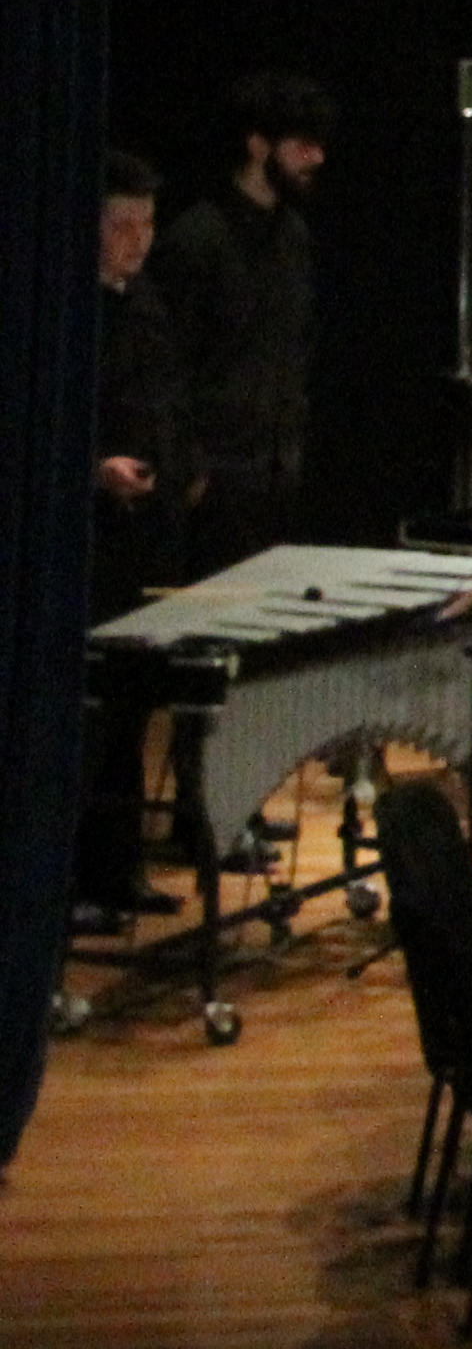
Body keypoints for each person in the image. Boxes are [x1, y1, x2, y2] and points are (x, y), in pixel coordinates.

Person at [149, 76, 326, 582]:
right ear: (258, 146)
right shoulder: (196, 240)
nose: (316, 159)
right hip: (214, 483)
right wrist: (190, 464)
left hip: (274, 475)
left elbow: (293, 350)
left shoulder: (293, 237)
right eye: (303, 145)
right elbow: (166, 365)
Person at [80, 150, 175, 930]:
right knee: (88, 719)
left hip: (143, 536)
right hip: (86, 542)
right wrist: (94, 470)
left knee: (133, 717)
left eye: (145, 225)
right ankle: (76, 880)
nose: (137, 241)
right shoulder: (71, 318)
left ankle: (120, 873)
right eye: (122, 225)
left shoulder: (144, 305)